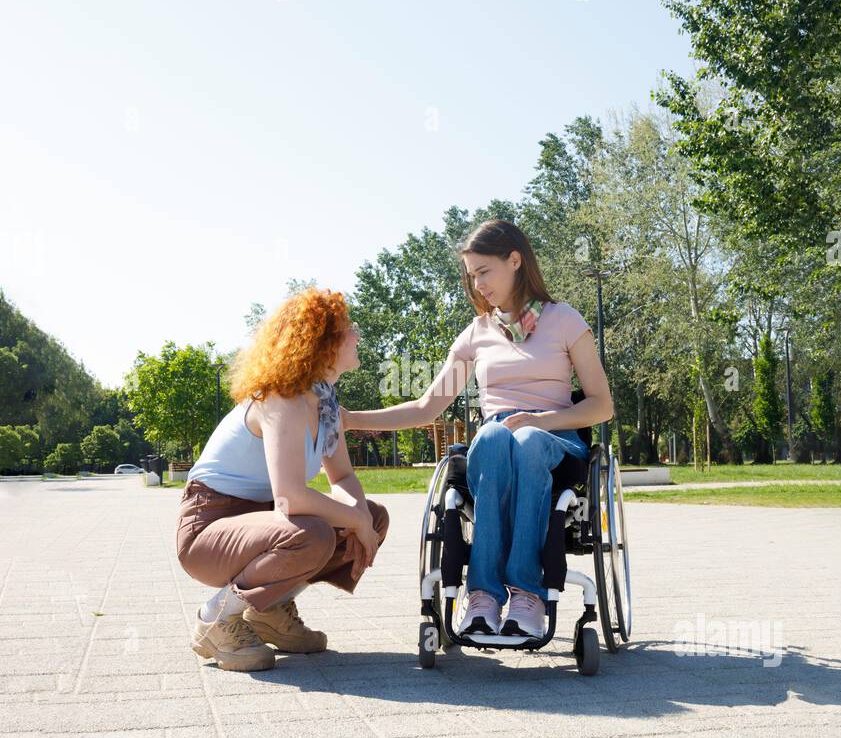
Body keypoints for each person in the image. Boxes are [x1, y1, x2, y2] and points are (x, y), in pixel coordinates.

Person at [342, 219, 612, 639]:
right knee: (489, 435)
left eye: (483, 272)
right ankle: (483, 596)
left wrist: (542, 421)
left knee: (525, 439)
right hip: (496, 440)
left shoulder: (565, 321)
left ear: (515, 260)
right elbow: (428, 405)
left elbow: (601, 405)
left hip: (554, 436)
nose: (477, 284)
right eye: (471, 276)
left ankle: (527, 594)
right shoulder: (477, 334)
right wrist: (351, 420)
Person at [175, 289, 389, 671]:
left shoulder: (323, 401)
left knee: (372, 516)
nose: (357, 335)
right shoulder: (282, 400)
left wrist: (361, 518)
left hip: (262, 524)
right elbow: (290, 498)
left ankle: (268, 611)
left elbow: (341, 475)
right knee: (314, 534)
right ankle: (216, 619)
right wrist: (353, 521)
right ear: (321, 343)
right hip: (208, 528)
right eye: (348, 329)